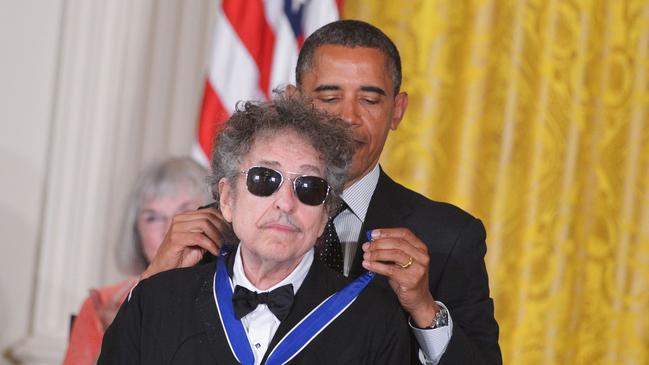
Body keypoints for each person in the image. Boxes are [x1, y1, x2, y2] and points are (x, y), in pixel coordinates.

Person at [143, 20, 501, 364]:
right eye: (330, 97)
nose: (348, 117)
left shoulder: (449, 237)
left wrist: (425, 309)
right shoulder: (221, 225)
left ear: (397, 110)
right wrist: (156, 276)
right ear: (294, 101)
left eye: (370, 101)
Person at [98, 99, 411, 364]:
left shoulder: (374, 322)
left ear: (325, 213)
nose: (286, 203)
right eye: (265, 179)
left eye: (309, 187)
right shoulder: (155, 302)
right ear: (227, 198)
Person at [63, 157, 210, 365]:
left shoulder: (242, 295)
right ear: (135, 233)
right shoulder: (103, 305)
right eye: (153, 218)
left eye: (185, 213)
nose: (170, 229)